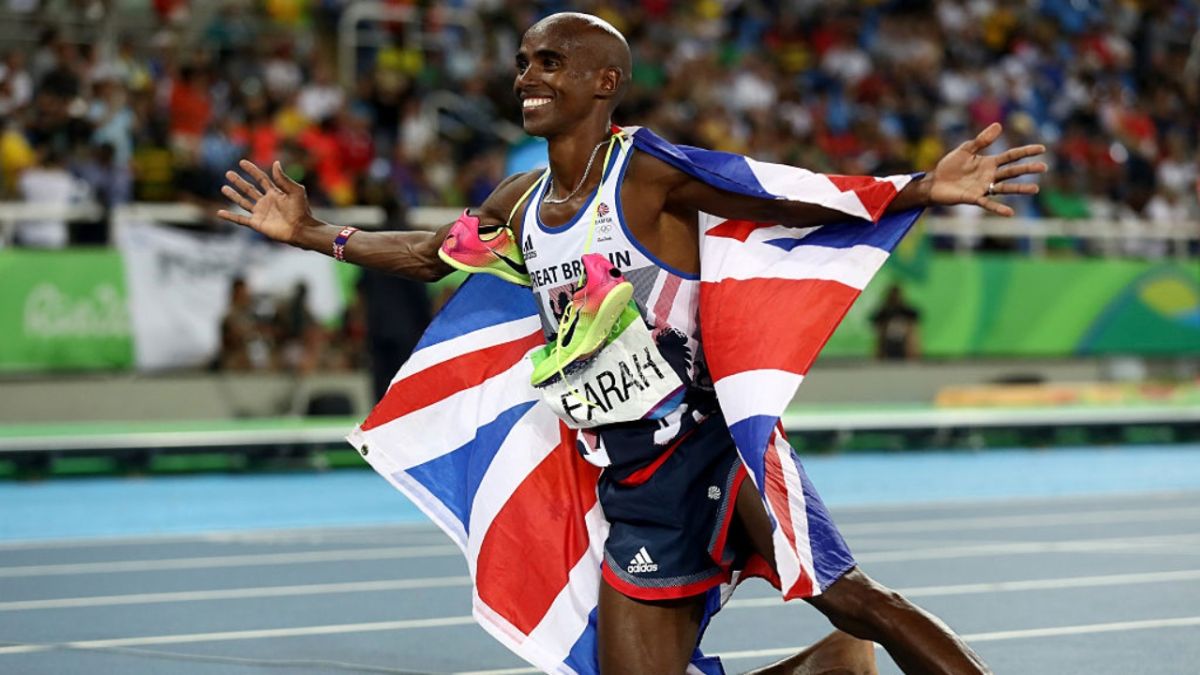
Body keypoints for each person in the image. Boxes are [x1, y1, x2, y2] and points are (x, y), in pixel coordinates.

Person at [218, 13, 1045, 674]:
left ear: (604, 82)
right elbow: (430, 254)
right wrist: (314, 233)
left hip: (717, 446)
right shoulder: (520, 203)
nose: (528, 76)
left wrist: (920, 188)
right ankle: (828, 668)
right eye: (523, 62)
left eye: (550, 62)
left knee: (852, 595)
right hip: (634, 477)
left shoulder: (645, 173)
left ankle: (857, 644)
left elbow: (775, 195)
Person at [871, 285, 921, 361]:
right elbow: (876, 322)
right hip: (887, 344)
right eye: (892, 296)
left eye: (896, 296)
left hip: (904, 344)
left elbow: (914, 319)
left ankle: (911, 356)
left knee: (911, 328)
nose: (895, 298)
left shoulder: (907, 311)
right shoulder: (884, 312)